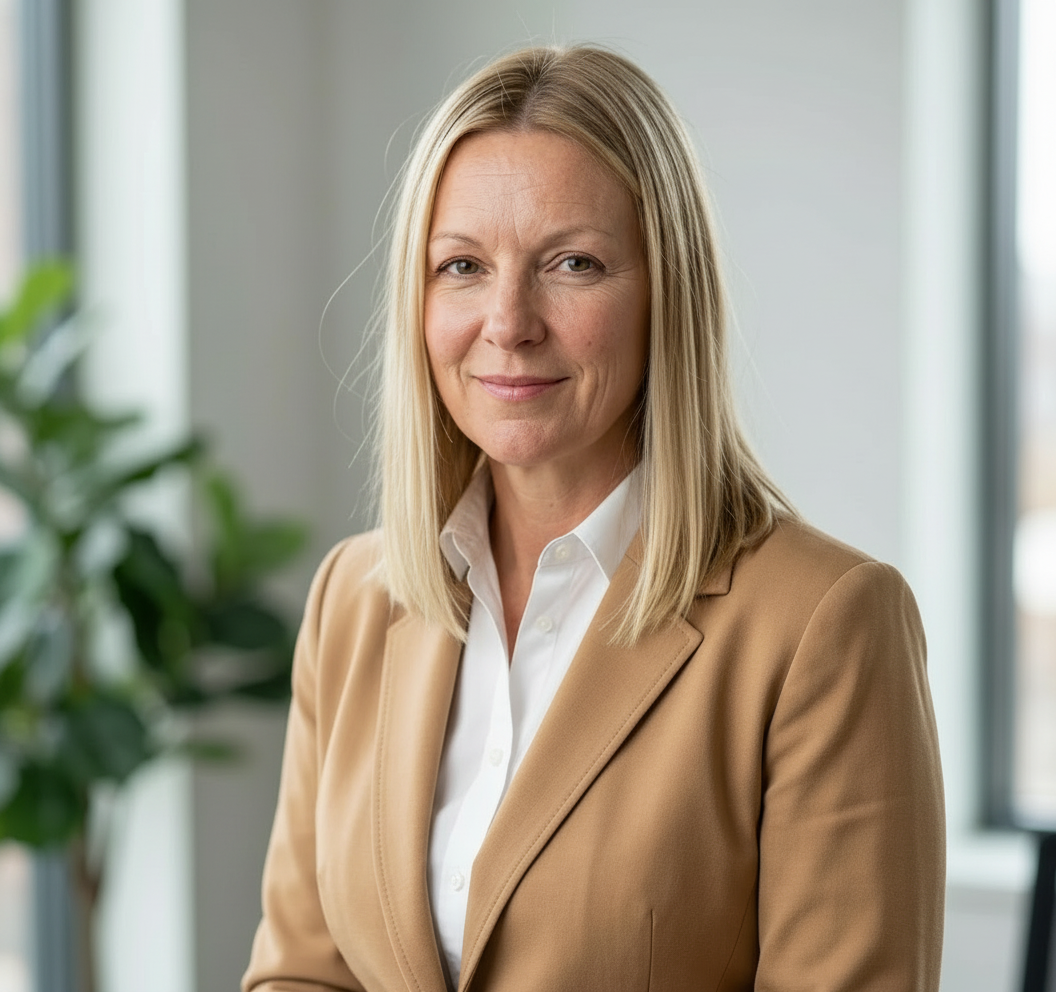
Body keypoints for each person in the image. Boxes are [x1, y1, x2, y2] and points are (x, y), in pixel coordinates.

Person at [242, 44, 945, 992]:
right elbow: (301, 973)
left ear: (667, 293)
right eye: (462, 266)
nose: (508, 321)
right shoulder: (352, 600)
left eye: (573, 263)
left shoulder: (827, 624)